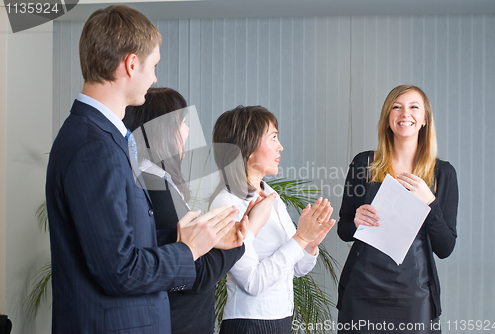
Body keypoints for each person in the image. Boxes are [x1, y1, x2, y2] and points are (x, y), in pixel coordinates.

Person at [45, 6, 239, 333]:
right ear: (131, 64)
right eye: (154, 66)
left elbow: (120, 242)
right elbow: (119, 270)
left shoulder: (104, 137)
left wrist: (181, 237)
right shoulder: (93, 146)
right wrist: (187, 249)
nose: (155, 78)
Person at [123, 88, 275, 334]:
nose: (187, 131)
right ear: (162, 131)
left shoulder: (153, 179)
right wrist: (249, 231)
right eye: (182, 123)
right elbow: (195, 271)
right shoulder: (154, 186)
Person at [336, 85, 459, 333]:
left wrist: (430, 203)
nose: (405, 114)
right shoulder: (364, 164)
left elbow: (445, 248)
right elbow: (344, 229)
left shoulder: (443, 173)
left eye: (414, 107)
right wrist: (357, 221)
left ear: (424, 119)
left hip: (414, 296)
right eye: (396, 107)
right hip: (362, 290)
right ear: (387, 118)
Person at [210, 105, 336, 334]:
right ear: (247, 148)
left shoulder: (271, 196)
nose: (281, 147)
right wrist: (300, 238)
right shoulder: (226, 204)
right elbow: (252, 282)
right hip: (249, 324)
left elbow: (296, 268)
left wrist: (310, 244)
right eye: (273, 138)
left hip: (281, 319)